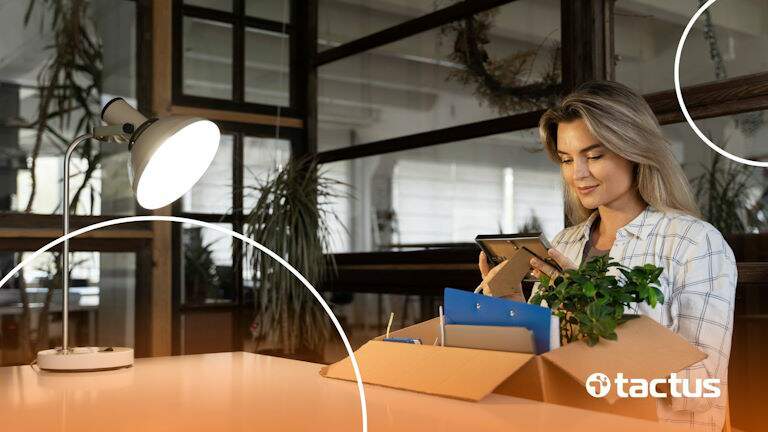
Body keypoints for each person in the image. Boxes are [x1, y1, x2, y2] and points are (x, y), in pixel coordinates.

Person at [478, 81, 736, 432]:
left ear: (633, 150)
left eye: (594, 156)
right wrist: (513, 306)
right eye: (567, 160)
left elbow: (701, 386)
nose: (577, 174)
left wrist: (596, 312)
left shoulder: (694, 242)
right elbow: (541, 364)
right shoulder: (564, 243)